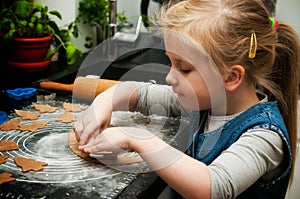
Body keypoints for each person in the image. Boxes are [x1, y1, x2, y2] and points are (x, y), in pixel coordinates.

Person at [73, 0, 299, 198]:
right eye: (171, 62)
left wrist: (138, 139)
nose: (170, 77)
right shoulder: (203, 103)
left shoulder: (265, 136)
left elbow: (211, 188)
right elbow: (137, 92)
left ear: (230, 77)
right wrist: (102, 105)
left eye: (184, 68)